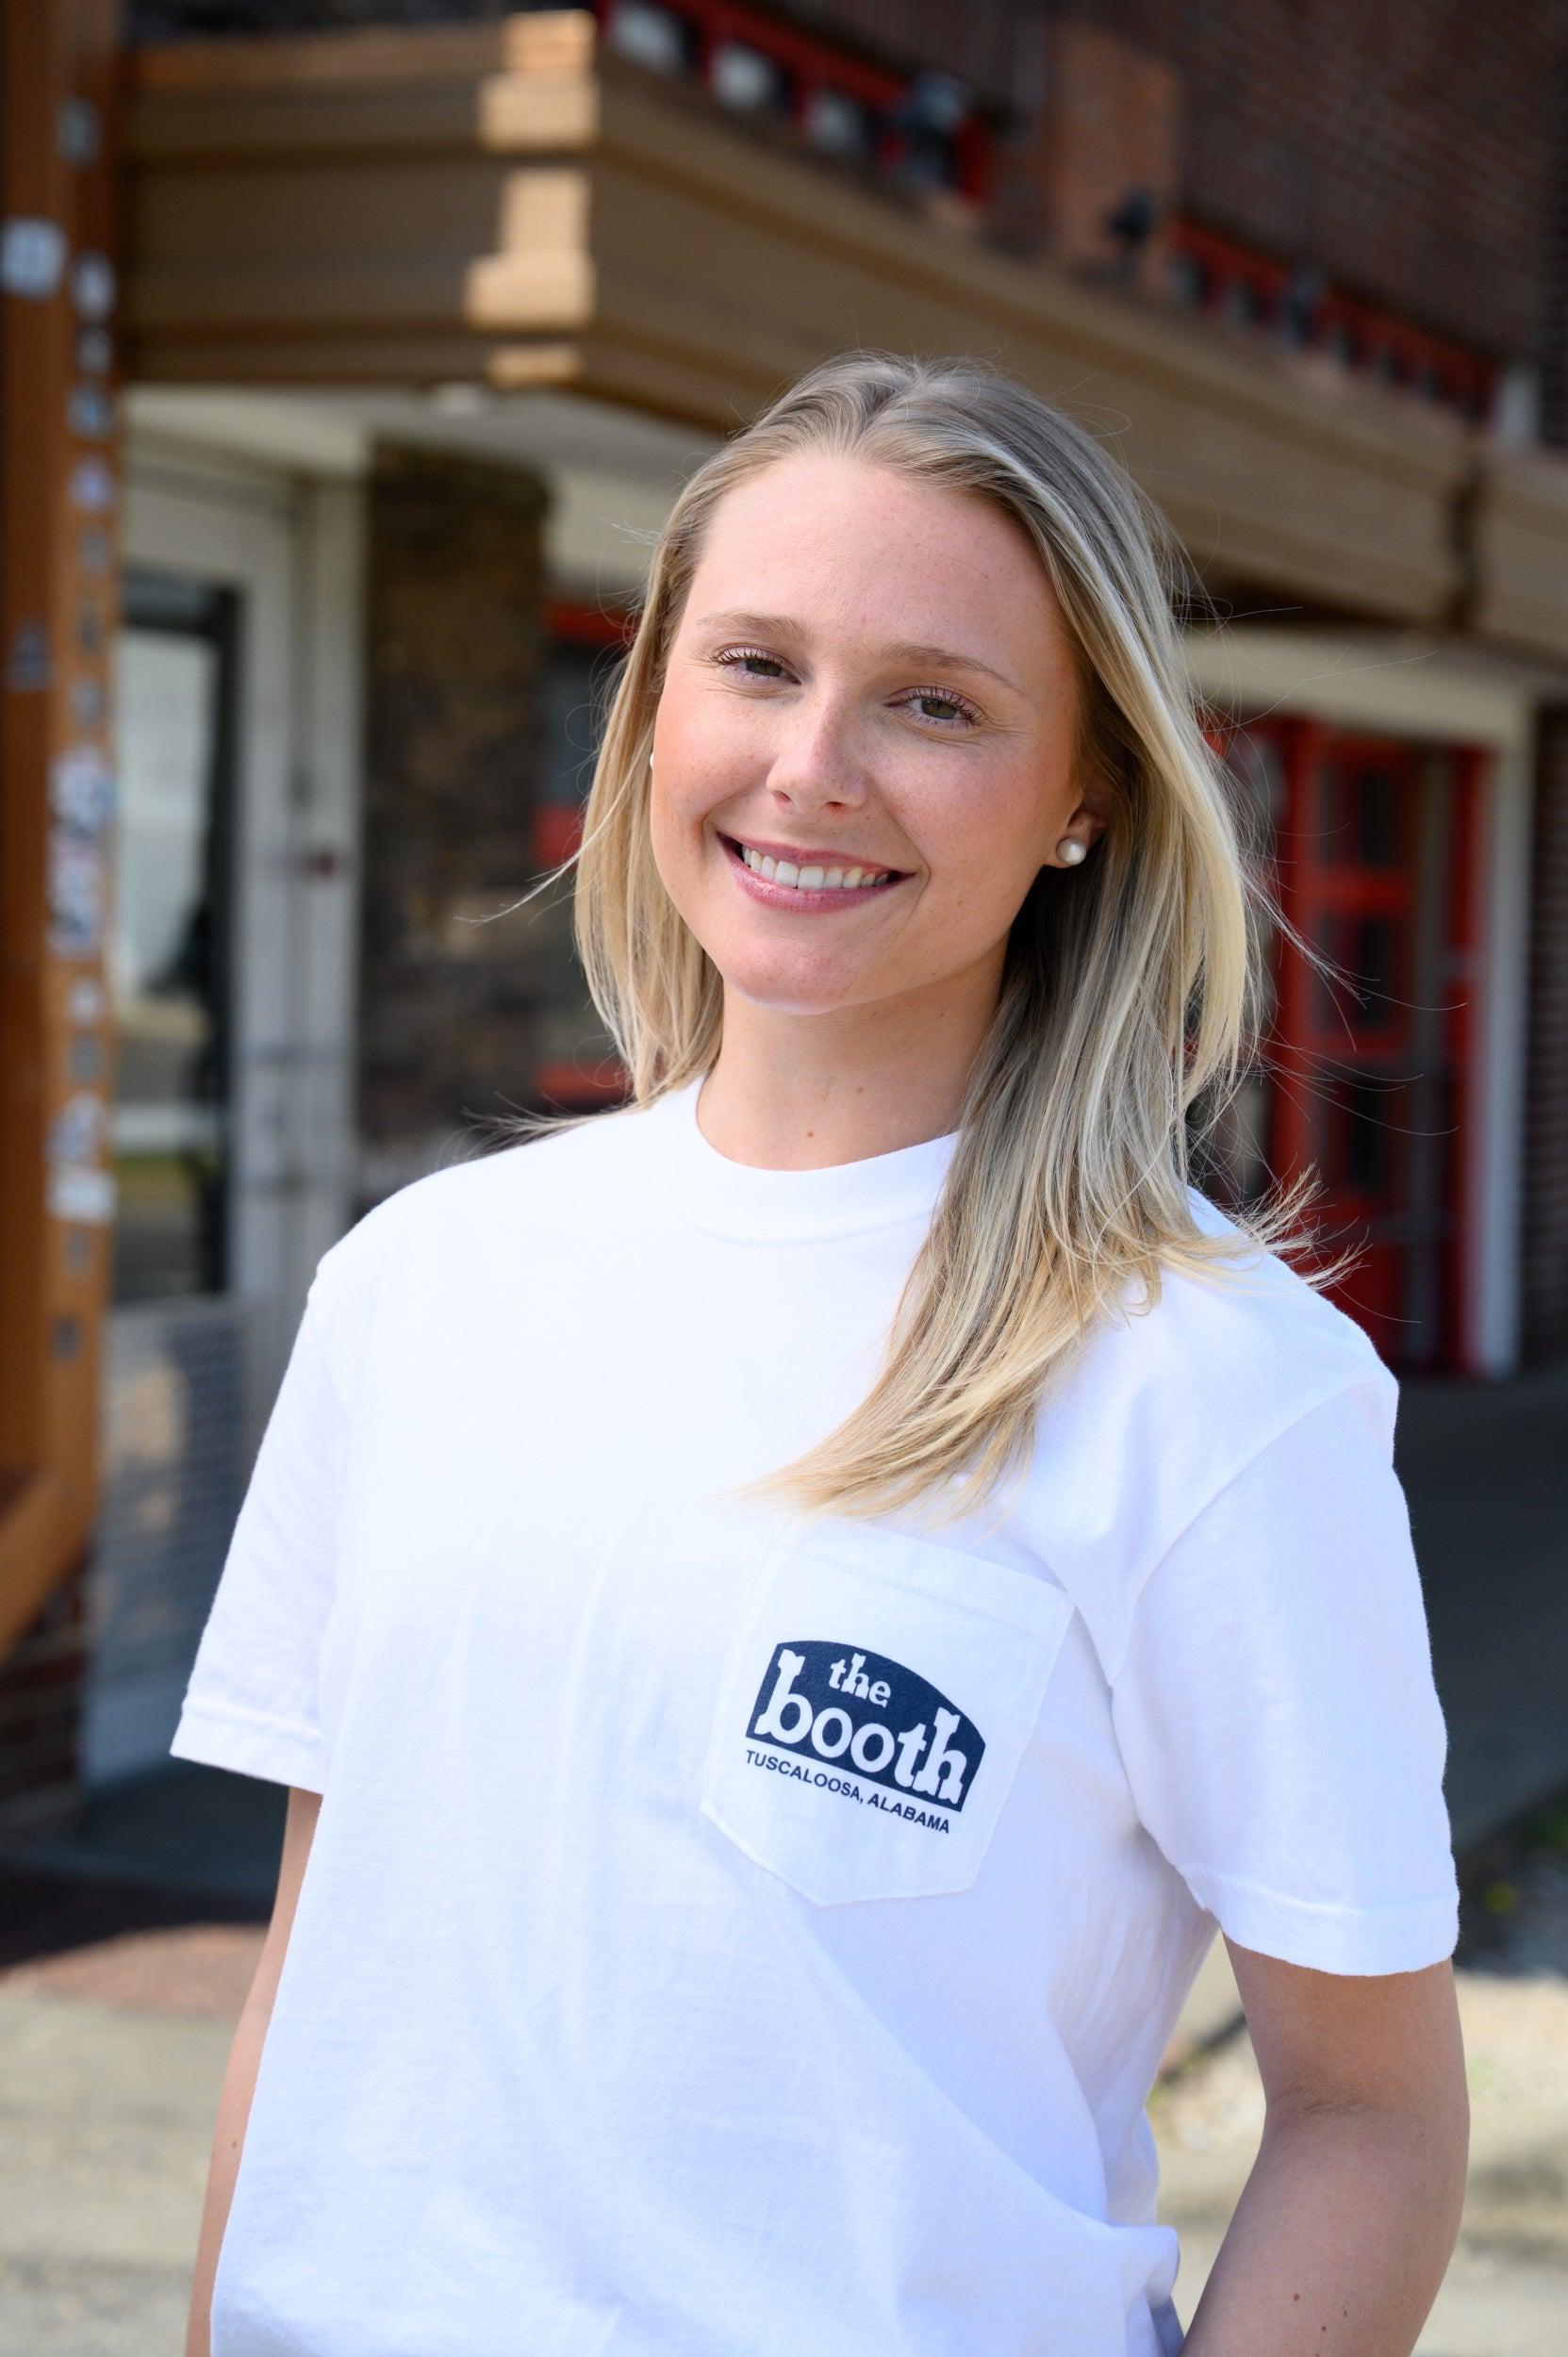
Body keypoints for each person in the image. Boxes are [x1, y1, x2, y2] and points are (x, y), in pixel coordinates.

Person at [173, 349, 1467, 2357]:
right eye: (757, 666)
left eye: (934, 702)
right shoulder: (418, 1286)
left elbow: (1369, 2114)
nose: (811, 766)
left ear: (1086, 796)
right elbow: (312, 1970)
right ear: (653, 715)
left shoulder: (1212, 1383)